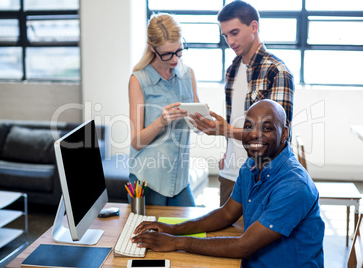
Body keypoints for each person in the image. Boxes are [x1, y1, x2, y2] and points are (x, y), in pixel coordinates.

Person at [131, 100, 324, 268]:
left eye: (267, 128)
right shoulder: (252, 165)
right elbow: (227, 213)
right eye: (249, 126)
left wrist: (177, 242)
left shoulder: (294, 185)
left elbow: (244, 246)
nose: (254, 134)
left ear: (284, 134)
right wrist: (173, 228)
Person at [189, 0, 295, 206]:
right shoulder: (232, 69)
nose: (230, 40)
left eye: (234, 32)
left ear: (254, 27)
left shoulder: (277, 71)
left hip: (264, 176)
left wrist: (224, 130)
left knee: (256, 237)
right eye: (225, 35)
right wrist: (228, 150)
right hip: (229, 172)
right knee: (223, 236)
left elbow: (274, 137)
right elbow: (238, 117)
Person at [128, 13, 199, 206]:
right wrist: (161, 121)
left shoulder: (188, 74)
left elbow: (197, 125)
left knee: (195, 233)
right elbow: (136, 141)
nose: (175, 59)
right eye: (168, 54)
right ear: (152, 48)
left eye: (179, 51)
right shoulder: (139, 80)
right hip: (148, 180)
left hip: (180, 179)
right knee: (147, 235)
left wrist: (204, 121)